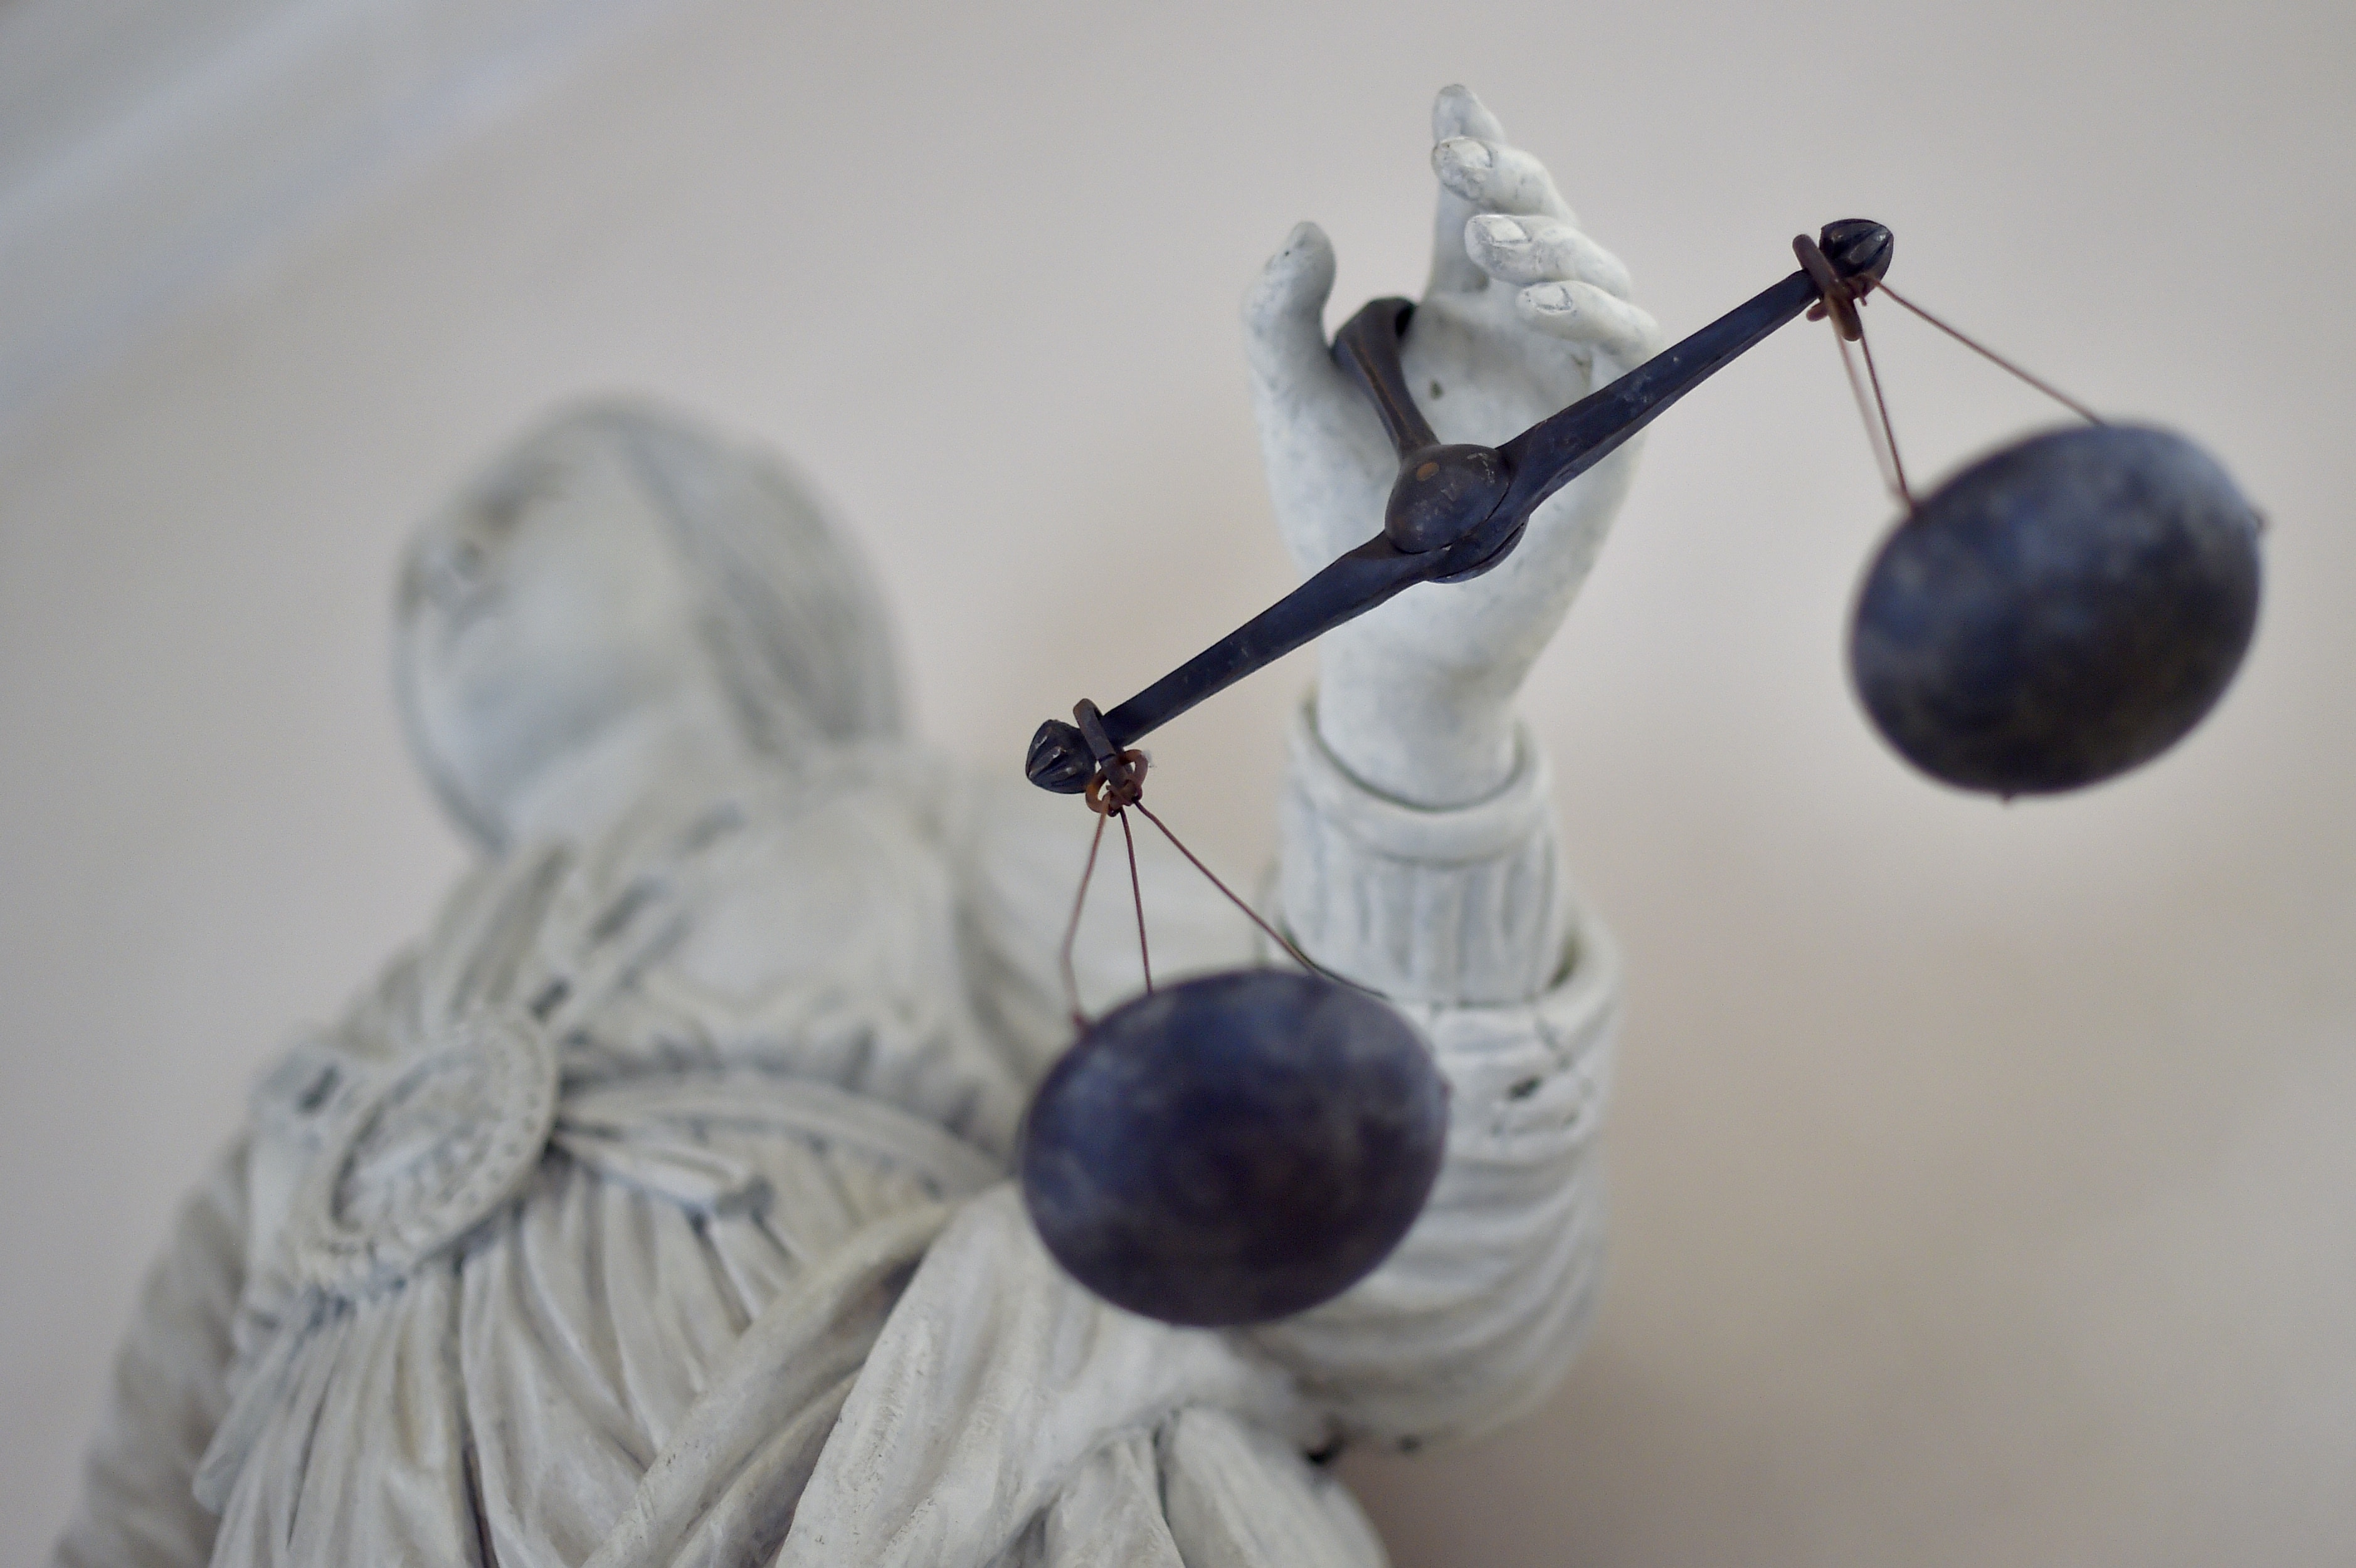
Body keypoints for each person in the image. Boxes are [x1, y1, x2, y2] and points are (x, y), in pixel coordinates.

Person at [55, 85, 1659, 1568]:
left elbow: (1406, 1285)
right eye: (419, 589)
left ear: (736, 558)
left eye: (518, 508)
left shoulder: (911, 840)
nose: (451, 571)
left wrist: (1413, 708)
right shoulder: (317, 1091)